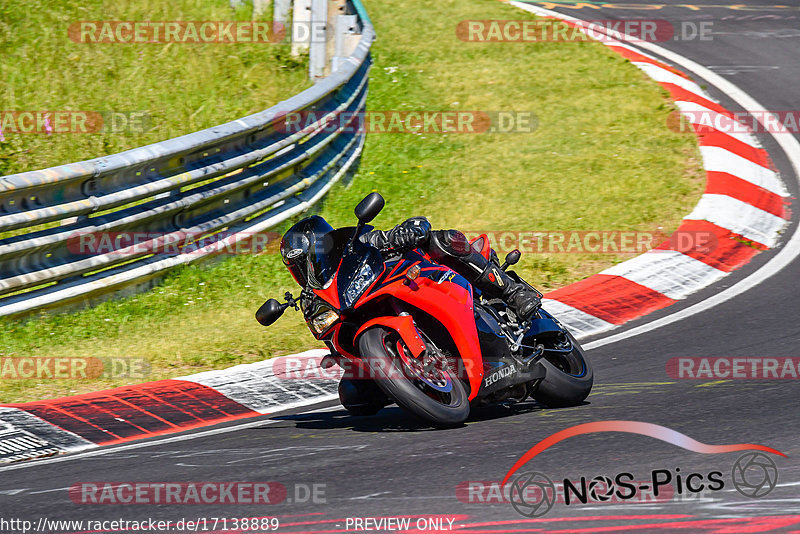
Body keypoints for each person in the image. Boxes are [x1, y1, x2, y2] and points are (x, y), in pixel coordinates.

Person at [280, 215, 542, 321]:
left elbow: (416, 226)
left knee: (443, 240)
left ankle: (512, 293)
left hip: (424, 279)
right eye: (300, 269)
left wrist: (408, 231)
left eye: (311, 261)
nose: (309, 272)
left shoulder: (358, 245)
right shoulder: (317, 299)